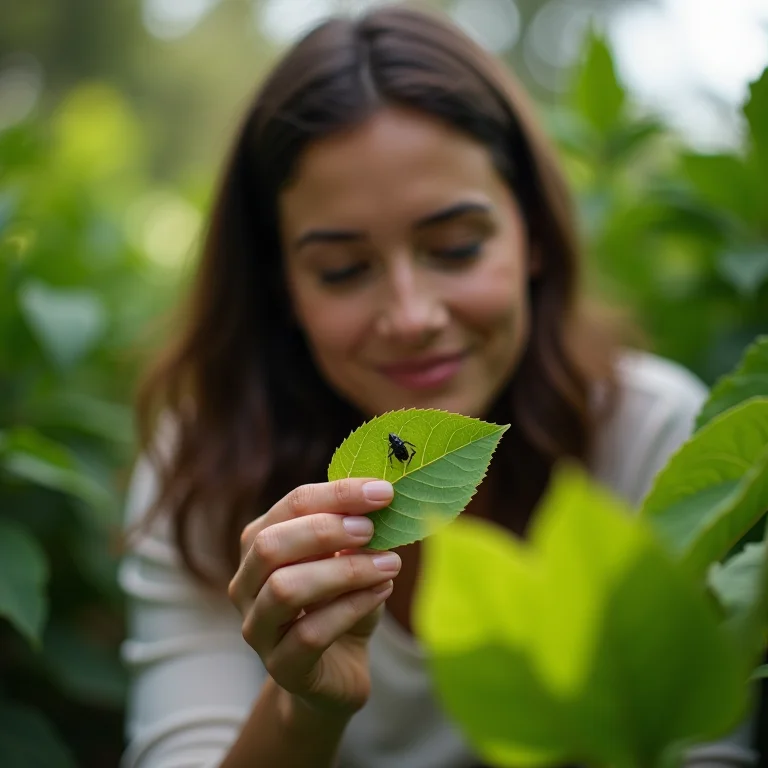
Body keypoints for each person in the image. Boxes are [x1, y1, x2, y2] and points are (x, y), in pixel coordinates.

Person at [119, 5, 758, 767]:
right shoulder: (209, 465)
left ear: (533, 235)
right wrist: (301, 709)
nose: (413, 316)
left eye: (455, 248)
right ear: (280, 285)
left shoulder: (650, 431)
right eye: (343, 269)